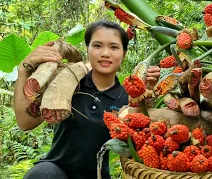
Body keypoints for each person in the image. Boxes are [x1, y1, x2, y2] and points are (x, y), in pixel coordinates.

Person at [14, 20, 160, 179]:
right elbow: (25, 123)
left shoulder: (127, 96)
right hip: (56, 172)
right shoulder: (66, 83)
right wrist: (23, 70)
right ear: (87, 50)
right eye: (97, 46)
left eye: (114, 47)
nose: (105, 53)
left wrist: (146, 95)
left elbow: (144, 141)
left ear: (124, 54)